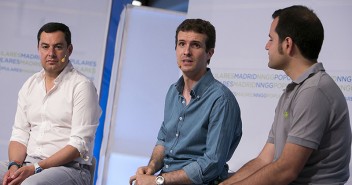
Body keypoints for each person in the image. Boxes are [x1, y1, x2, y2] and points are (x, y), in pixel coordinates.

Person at [220, 5, 351, 185]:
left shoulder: (314, 91)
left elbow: (286, 170)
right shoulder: (294, 90)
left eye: (271, 39)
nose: (266, 46)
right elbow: (264, 160)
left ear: (287, 44)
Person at [129, 19, 242, 185]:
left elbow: (212, 163)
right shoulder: (172, 92)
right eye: (182, 44)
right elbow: (163, 140)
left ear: (209, 53)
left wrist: (158, 180)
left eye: (195, 45)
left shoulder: (221, 99)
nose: (186, 51)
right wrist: (151, 168)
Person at [0, 22, 101, 185]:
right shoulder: (30, 84)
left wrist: (35, 169)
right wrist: (14, 166)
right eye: (45, 47)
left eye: (58, 47)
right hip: (27, 163)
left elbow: (78, 145)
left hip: (70, 169)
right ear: (38, 49)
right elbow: (20, 133)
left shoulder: (82, 87)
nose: (51, 53)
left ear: (69, 50)